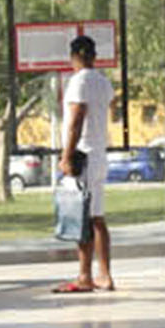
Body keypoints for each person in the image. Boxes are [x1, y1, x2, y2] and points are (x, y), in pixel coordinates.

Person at [56, 34, 114, 293]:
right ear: (94, 56)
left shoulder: (78, 82)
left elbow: (77, 119)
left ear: (73, 57)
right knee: (96, 217)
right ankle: (104, 274)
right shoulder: (103, 82)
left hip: (83, 156)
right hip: (99, 154)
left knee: (82, 217)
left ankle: (85, 276)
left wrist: (66, 156)